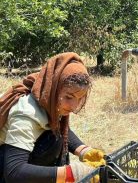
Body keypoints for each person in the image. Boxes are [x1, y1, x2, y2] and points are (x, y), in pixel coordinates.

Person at [0, 52, 105, 183]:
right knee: (49, 141)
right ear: (54, 87)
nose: (73, 106)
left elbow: (57, 126)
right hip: (6, 168)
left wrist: (83, 150)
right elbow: (14, 171)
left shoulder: (47, 97)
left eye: (80, 98)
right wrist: (69, 174)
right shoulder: (27, 114)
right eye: (69, 97)